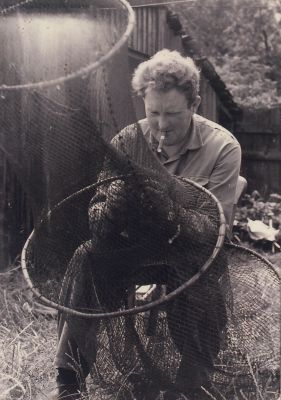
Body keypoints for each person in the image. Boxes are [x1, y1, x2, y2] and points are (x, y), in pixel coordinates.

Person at [45, 49, 241, 400]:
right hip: (135, 250)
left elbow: (216, 230)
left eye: (173, 114)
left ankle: (191, 382)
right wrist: (112, 209)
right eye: (153, 113)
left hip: (191, 253)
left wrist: (171, 208)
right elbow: (96, 219)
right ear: (143, 104)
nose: (162, 125)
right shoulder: (127, 141)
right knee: (87, 256)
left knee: (199, 269)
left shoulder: (223, 147)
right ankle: (68, 381)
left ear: (195, 104)